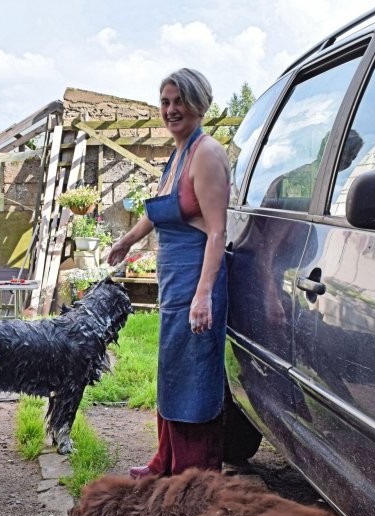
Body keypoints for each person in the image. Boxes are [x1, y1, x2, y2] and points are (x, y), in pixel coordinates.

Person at [107, 68, 230, 477]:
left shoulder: (206, 153)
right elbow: (157, 212)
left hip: (197, 279)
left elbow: (216, 232)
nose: (171, 109)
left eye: (179, 101)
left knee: (194, 373)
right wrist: (126, 241)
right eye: (165, 101)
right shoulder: (178, 153)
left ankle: (194, 475)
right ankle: (167, 462)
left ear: (198, 104)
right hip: (175, 283)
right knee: (173, 368)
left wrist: (203, 294)